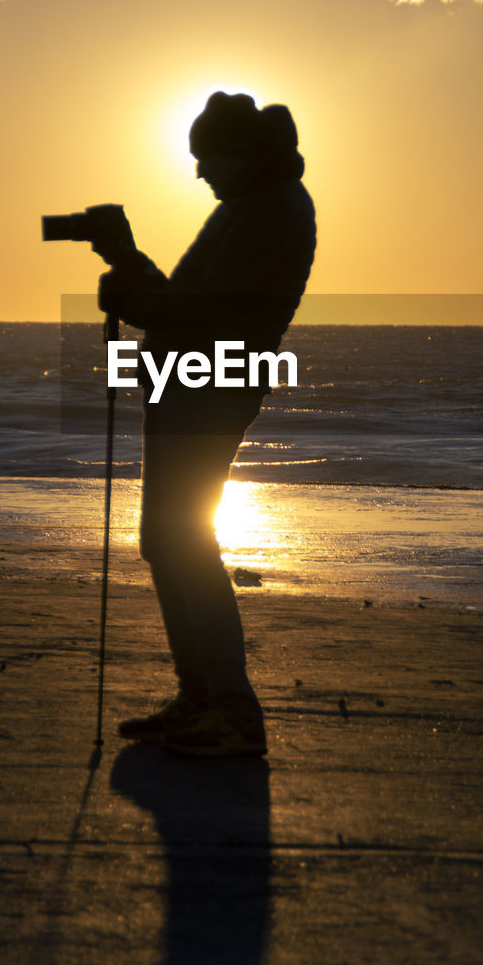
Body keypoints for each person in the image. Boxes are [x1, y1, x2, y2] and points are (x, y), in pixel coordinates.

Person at [94, 91, 316, 757]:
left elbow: (200, 312)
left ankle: (230, 708)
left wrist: (130, 289)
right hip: (195, 387)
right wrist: (129, 266)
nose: (198, 173)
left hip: (209, 390)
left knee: (182, 543)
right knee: (166, 541)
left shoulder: (267, 211)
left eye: (205, 158)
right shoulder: (249, 205)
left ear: (239, 155)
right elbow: (184, 305)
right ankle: (200, 697)